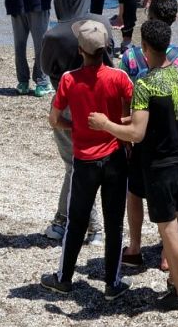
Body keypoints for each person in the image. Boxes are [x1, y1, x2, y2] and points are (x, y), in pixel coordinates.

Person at [89, 19, 178, 310]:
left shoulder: (145, 84)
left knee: (167, 229)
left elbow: (136, 134)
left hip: (160, 165)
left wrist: (106, 124)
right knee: (176, 223)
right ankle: (175, 281)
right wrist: (133, 119)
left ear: (145, 47)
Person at [118, 0, 178, 269]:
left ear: (148, 21)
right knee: (175, 203)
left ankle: (135, 247)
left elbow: (125, 98)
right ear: (174, 20)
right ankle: (167, 256)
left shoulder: (131, 57)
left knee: (135, 193)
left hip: (144, 139)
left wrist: (123, 133)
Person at [41, 19, 133, 298]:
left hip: (85, 162)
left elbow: (54, 120)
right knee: (114, 223)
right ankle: (112, 283)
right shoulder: (119, 78)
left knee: (76, 222)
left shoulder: (69, 80)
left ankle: (64, 278)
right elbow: (130, 114)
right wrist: (113, 126)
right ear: (106, 48)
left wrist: (77, 126)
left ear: (80, 50)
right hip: (115, 157)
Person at [37, 0, 114, 242]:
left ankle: (78, 225)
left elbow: (47, 70)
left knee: (75, 165)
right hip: (101, 103)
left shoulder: (54, 35)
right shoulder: (102, 23)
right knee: (85, 164)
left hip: (68, 103)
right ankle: (75, 223)